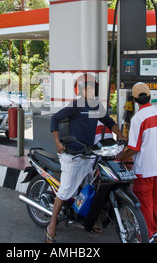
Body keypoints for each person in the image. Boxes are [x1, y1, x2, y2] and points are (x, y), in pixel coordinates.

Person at [46, 73, 125, 243]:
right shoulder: (76, 105)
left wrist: (120, 135)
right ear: (80, 90)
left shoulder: (95, 106)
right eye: (86, 87)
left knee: (94, 188)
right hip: (73, 155)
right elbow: (55, 118)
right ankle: (51, 226)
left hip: (89, 155)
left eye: (92, 87)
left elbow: (109, 122)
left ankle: (92, 219)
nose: (89, 90)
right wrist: (57, 142)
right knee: (65, 191)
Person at [118, 82, 157, 243]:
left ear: (134, 100)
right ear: (149, 96)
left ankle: (146, 234)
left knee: (144, 202)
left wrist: (120, 157)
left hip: (145, 168)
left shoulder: (138, 118)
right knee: (156, 201)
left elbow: (134, 148)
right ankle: (156, 232)